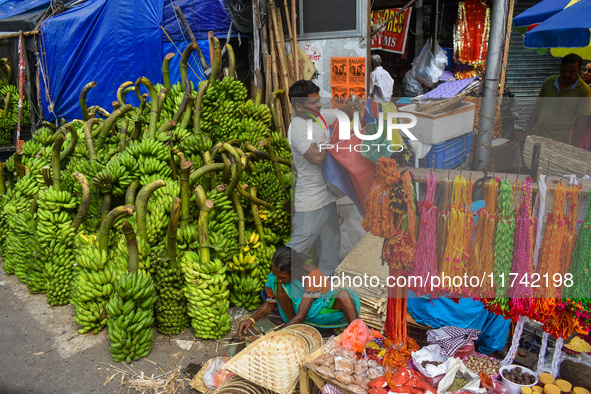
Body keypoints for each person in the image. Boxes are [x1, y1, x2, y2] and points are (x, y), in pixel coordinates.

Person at [287, 80, 361, 276]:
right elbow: (316, 157)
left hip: (327, 196)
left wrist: (351, 106)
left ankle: (325, 285)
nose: (319, 105)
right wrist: (335, 141)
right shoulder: (299, 128)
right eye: (313, 103)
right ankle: (274, 288)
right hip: (311, 200)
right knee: (297, 247)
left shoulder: (317, 117)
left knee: (331, 245)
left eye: (319, 100)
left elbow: (343, 113)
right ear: (299, 106)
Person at [237, 247, 360, 338]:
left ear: (295, 271)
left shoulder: (313, 276)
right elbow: (270, 303)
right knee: (277, 284)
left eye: (283, 277)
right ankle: (294, 326)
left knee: (344, 295)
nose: (279, 279)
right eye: (277, 275)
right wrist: (251, 320)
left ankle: (357, 336)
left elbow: (301, 316)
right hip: (295, 315)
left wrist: (276, 335)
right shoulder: (278, 276)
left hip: (317, 311)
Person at [523, 53, 591, 146]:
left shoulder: (584, 90)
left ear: (579, 70)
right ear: (560, 68)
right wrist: (528, 130)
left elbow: (582, 119)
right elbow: (538, 107)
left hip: (561, 141)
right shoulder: (549, 82)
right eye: (564, 71)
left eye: (572, 72)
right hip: (539, 135)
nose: (567, 74)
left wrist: (574, 144)